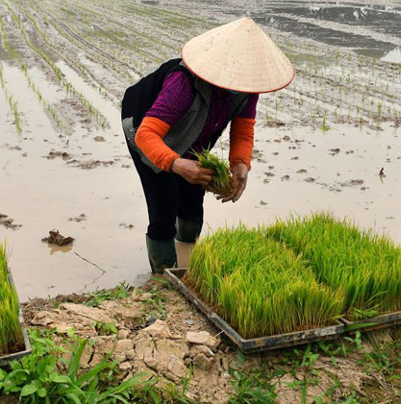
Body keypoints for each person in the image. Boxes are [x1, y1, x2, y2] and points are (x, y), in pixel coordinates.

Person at [121, 17, 295, 274]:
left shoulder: (246, 90)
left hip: (192, 135)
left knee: (192, 202)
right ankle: (163, 278)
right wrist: (176, 163)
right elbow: (146, 135)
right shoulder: (182, 85)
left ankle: (188, 263)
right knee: (163, 206)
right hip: (147, 133)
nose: (244, 85)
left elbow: (243, 132)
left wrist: (240, 165)